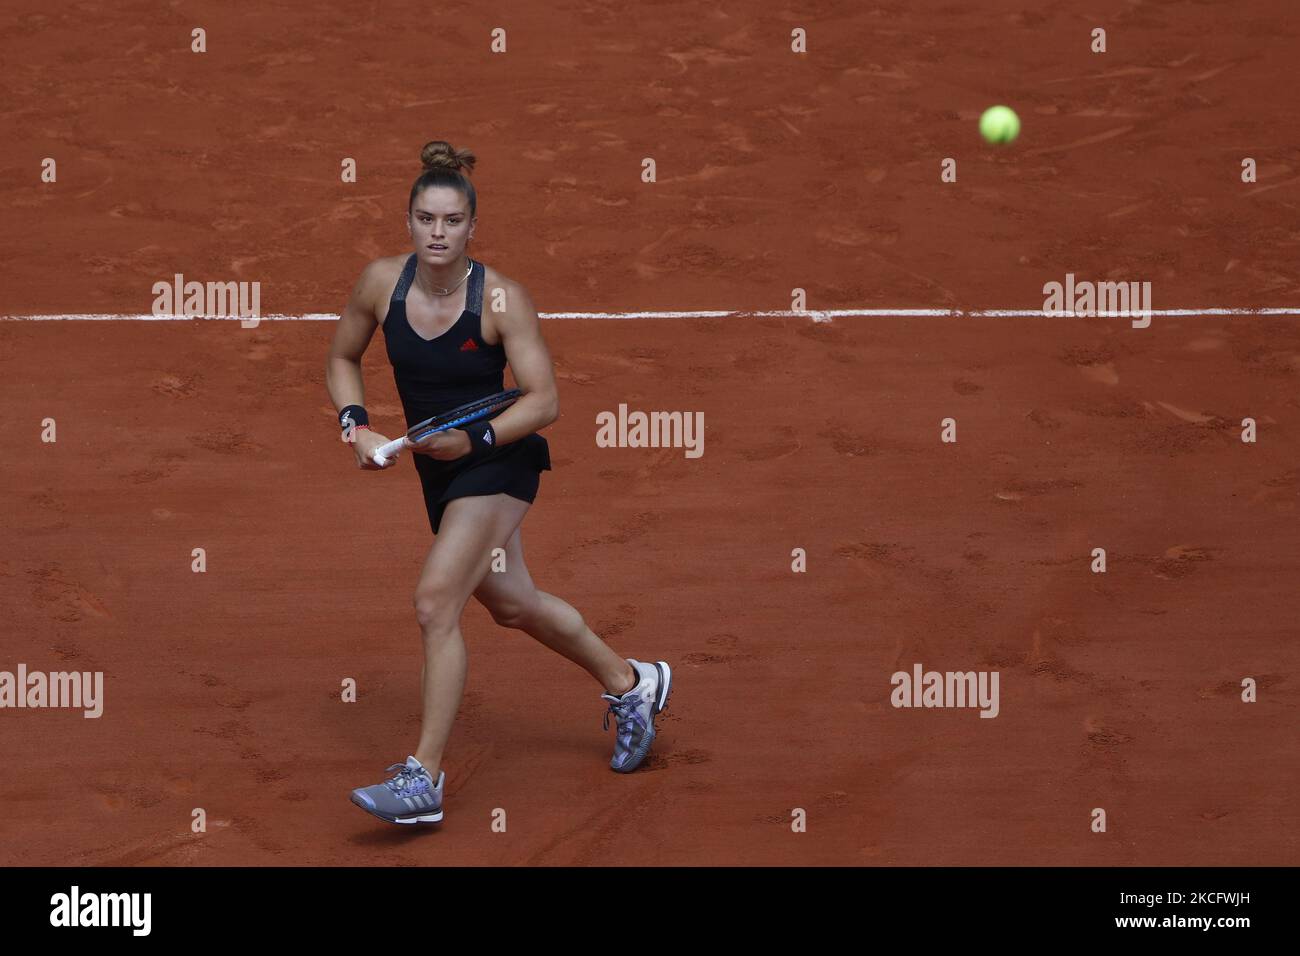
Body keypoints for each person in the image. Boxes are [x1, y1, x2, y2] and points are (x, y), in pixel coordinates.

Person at [325, 140, 672, 825]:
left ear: (472, 226)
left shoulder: (503, 299)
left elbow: (543, 400)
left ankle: (422, 777)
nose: (438, 233)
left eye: (452, 221)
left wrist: (474, 439)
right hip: (438, 467)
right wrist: (355, 426)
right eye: (426, 218)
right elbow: (341, 357)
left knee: (434, 603)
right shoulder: (378, 284)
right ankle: (631, 682)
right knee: (512, 603)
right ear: (408, 220)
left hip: (497, 460)